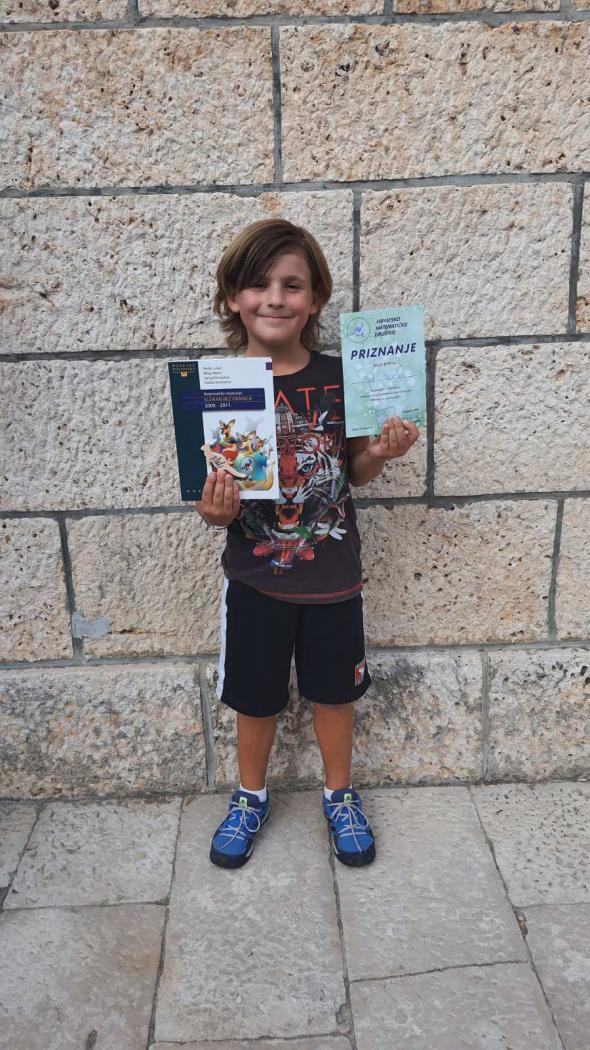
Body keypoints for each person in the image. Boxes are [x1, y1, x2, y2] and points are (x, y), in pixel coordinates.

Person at [195, 218, 420, 869]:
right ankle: (249, 796)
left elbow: (354, 471)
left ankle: (339, 794)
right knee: (253, 696)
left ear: (315, 298)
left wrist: (381, 451)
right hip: (255, 578)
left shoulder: (341, 375)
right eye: (258, 284)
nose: (275, 297)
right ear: (233, 296)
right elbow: (209, 497)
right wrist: (212, 510)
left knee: (335, 693)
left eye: (291, 285)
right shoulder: (216, 384)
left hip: (333, 577)